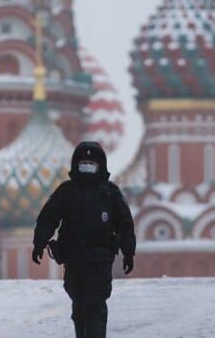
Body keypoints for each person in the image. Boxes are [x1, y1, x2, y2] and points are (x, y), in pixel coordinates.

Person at [32, 141, 136, 338]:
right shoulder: (67, 191)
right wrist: (39, 242)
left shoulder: (110, 193)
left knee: (95, 304)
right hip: (74, 259)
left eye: (91, 163)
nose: (87, 166)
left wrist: (128, 252)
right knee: (79, 304)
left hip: (100, 259)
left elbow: (125, 224)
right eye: (83, 162)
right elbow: (49, 217)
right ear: (76, 164)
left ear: (100, 165)